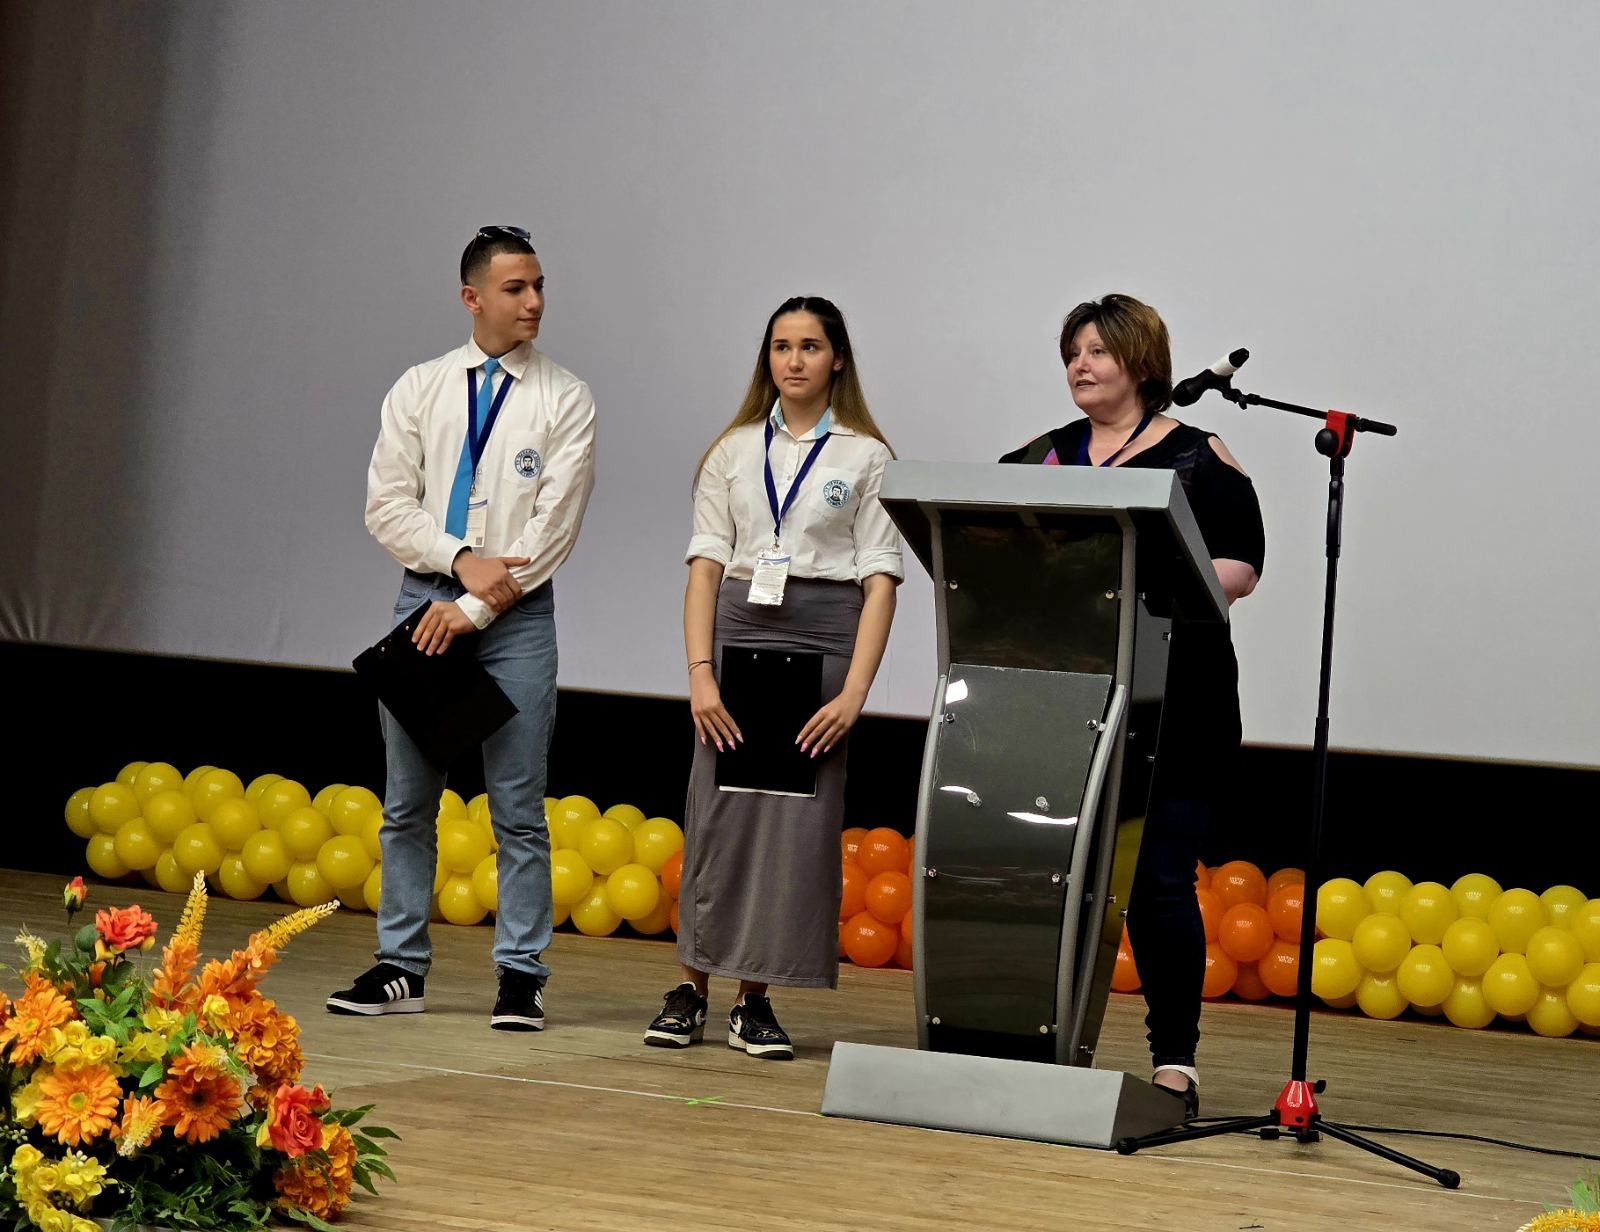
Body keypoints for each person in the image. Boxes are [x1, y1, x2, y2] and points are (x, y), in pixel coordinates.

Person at [1000, 293, 1265, 1116]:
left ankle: (1175, 1060)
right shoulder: (1042, 457)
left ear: (1141, 363)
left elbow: (1240, 567)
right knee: (1057, 878)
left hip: (1178, 703)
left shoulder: (1196, 455)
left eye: (1097, 351)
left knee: (1157, 884)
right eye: (1072, 352)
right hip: (1067, 701)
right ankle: (1036, 1039)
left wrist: (1125, 586)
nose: (1079, 365)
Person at [327, 226, 596, 1030]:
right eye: (516, 288)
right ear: (472, 298)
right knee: (408, 804)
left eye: (540, 285)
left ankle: (521, 975)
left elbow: (554, 530)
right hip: (424, 602)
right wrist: (459, 559)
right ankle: (400, 966)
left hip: (514, 617)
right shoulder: (421, 387)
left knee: (519, 809)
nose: (535, 301)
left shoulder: (565, 397)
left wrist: (477, 602)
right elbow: (386, 506)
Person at [643, 296, 902, 1059]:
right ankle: (691, 990)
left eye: (810, 346)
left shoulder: (867, 456)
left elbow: (881, 582)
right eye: (782, 346)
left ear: (837, 359)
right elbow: (704, 569)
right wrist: (700, 675)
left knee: (793, 829)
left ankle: (753, 1000)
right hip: (739, 637)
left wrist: (854, 694)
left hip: (823, 643)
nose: (794, 360)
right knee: (718, 818)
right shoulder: (730, 451)